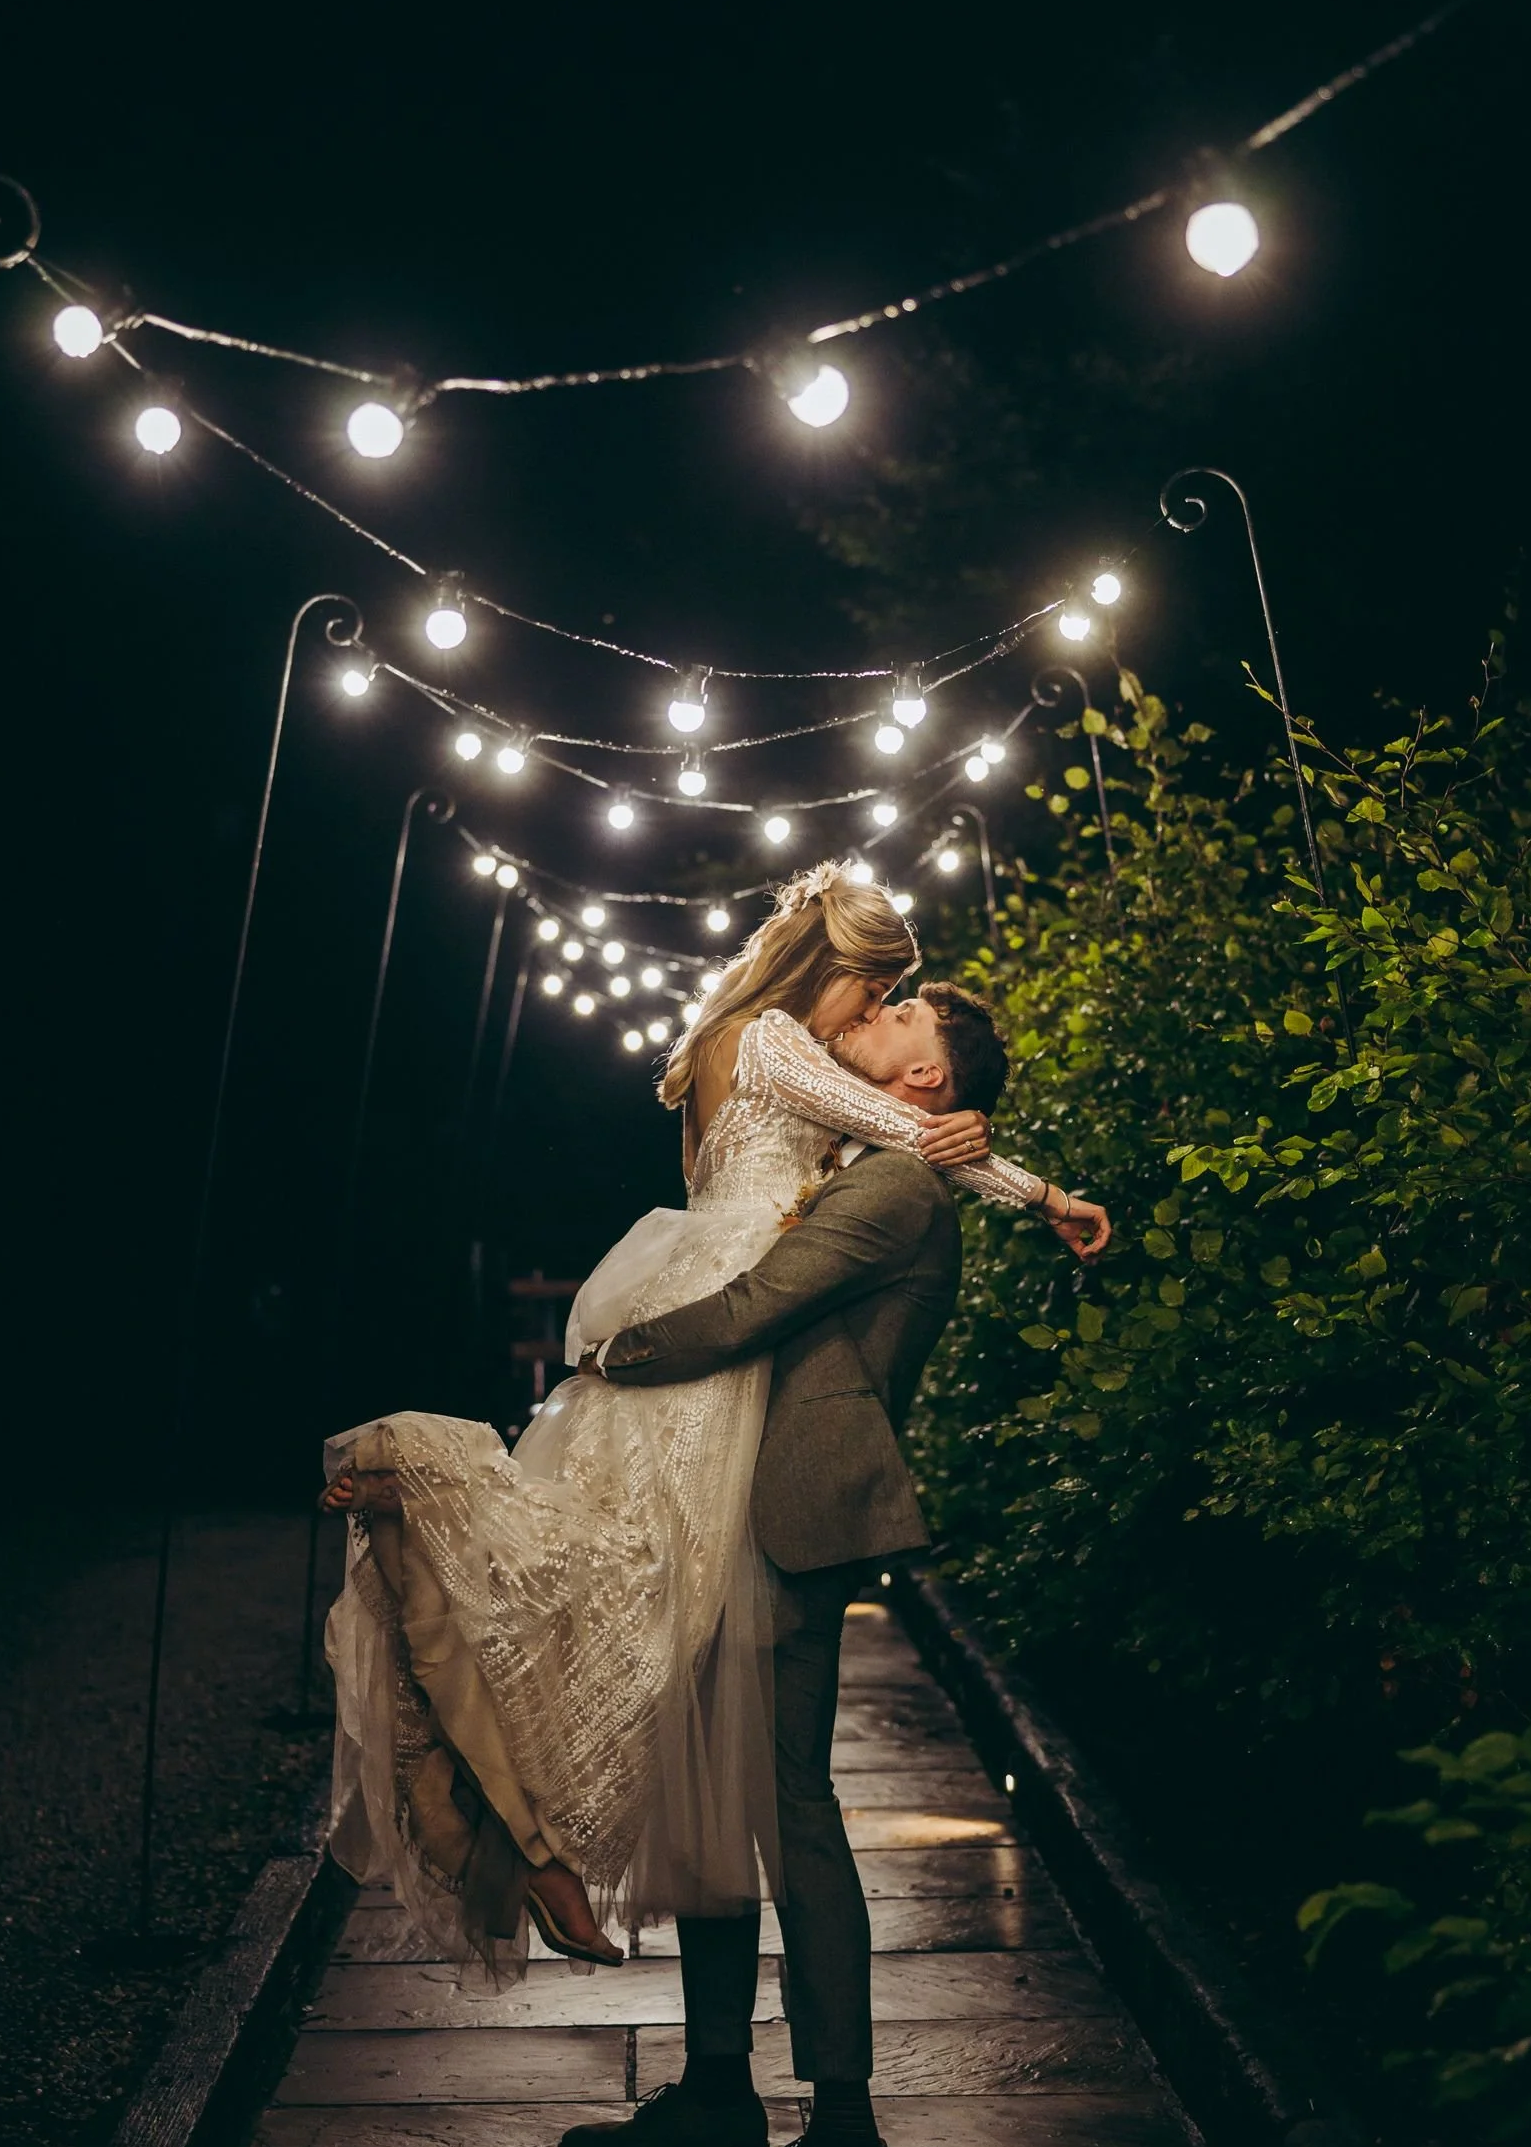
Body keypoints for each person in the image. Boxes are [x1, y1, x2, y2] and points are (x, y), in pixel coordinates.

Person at [319, 866, 1108, 2038]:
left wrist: (1029, 1187)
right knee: (620, 1609)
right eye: (883, 994)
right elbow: (909, 1138)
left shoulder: (781, 1074)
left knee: (632, 1624)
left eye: (893, 1011)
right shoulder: (778, 1039)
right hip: (711, 1337)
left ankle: (546, 1862)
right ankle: (533, 1844)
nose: (870, 1020)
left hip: (727, 1346)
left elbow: (904, 1147)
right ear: (847, 972)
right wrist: (1041, 1191)